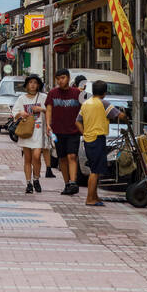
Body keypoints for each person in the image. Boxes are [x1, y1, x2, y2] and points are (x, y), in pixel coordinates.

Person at [78, 80, 126, 207]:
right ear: (104, 92)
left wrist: (84, 133)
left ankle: (95, 196)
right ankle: (89, 198)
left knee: (96, 169)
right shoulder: (103, 103)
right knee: (95, 171)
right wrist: (125, 115)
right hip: (97, 139)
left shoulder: (86, 103)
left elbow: (77, 122)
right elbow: (119, 115)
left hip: (88, 139)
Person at [45, 68, 83, 196]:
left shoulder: (77, 93)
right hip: (57, 132)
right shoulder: (52, 93)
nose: (60, 81)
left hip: (73, 131)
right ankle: (67, 184)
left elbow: (86, 108)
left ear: (68, 78)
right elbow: (49, 110)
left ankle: (73, 182)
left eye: (63, 78)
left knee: (72, 156)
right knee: (62, 158)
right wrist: (48, 125)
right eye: (58, 79)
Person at [11, 74, 49, 194]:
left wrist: (41, 110)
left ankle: (36, 178)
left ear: (38, 85)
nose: (32, 85)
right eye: (30, 82)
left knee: (37, 156)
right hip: (26, 131)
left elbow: (51, 111)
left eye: (35, 82)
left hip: (39, 131)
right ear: (27, 85)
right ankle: (28, 183)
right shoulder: (22, 99)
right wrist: (21, 113)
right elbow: (14, 112)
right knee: (27, 158)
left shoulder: (43, 97)